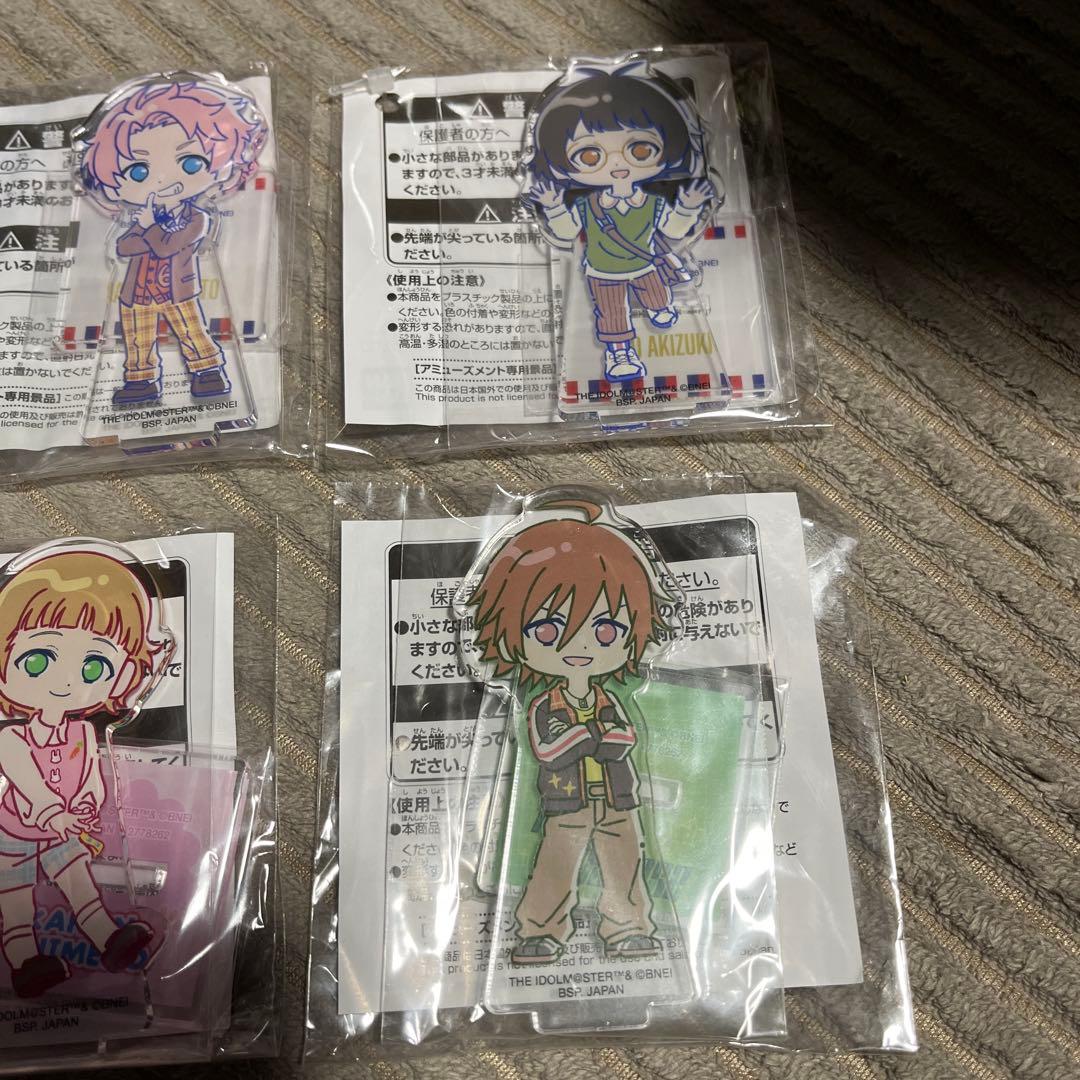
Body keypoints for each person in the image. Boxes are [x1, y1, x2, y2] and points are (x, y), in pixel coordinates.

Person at [469, 497, 674, 964]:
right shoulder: (545, 703)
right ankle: (539, 932)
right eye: (547, 630)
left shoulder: (608, 699)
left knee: (625, 863)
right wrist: (593, 739)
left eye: (605, 631)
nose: (578, 645)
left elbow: (623, 739)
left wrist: (595, 739)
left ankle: (629, 928)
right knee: (554, 866)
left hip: (617, 800)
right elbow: (550, 748)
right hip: (567, 801)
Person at [0, 550, 164, 997]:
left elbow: (91, 776)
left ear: (123, 676)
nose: (65, 682)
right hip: (12, 832)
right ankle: (26, 964)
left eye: (94, 666)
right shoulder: (12, 738)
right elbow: (28, 783)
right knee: (15, 902)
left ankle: (110, 940)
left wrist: (89, 805)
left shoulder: (84, 732)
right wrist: (54, 813)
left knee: (80, 883)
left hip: (66, 828)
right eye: (38, 660)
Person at [78, 77, 267, 406]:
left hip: (176, 290)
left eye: (190, 163)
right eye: (139, 171)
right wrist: (146, 230)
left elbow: (168, 247)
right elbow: (123, 247)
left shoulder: (197, 218)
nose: (164, 180)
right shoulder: (138, 217)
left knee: (192, 332)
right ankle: (141, 381)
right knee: (137, 340)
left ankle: (208, 373)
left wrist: (149, 229)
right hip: (136, 292)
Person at [525, 63, 713, 381]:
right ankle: (619, 354)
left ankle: (660, 307)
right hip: (603, 272)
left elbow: (674, 229)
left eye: (639, 149)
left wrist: (687, 206)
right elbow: (566, 232)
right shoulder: (587, 204)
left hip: (645, 265)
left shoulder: (652, 202)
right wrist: (554, 207)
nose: (617, 164)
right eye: (589, 156)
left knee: (657, 296)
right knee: (612, 315)